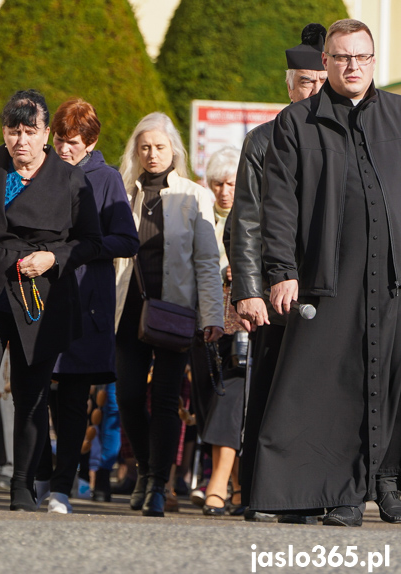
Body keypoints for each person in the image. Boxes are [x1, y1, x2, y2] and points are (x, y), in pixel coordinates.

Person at [254, 18, 401, 528]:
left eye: (361, 57)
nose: (352, 66)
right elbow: (278, 205)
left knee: (394, 379)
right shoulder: (297, 123)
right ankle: (340, 492)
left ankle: (388, 481)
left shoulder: (400, 116)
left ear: (374, 60)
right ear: (327, 62)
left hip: (394, 276)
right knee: (333, 386)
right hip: (329, 276)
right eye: (341, 58)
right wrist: (281, 270)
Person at [0, 89, 102, 511]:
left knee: (32, 395)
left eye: (30, 131)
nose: (21, 140)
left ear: (46, 133)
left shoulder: (70, 178)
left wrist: (54, 257)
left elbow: (91, 241)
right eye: (13, 131)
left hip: (40, 296)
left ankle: (23, 487)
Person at [229, 23, 328, 524]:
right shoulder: (262, 139)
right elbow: (245, 218)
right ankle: (260, 492)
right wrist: (249, 290)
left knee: (323, 392)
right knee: (266, 390)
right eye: (303, 81)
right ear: (288, 85)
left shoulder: (341, 138)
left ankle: (317, 492)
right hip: (273, 288)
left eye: (319, 79)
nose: (311, 89)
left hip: (329, 288)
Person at [114, 112, 223, 517]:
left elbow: (207, 261)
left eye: (160, 147)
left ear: (173, 149)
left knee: (164, 398)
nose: (152, 154)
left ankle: (159, 483)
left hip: (175, 310)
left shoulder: (195, 196)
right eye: (145, 148)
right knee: (126, 396)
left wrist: (210, 315)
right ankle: (144, 468)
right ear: (136, 152)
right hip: (129, 309)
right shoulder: (124, 193)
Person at [35, 98, 138, 513]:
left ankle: (62, 484)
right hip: (39, 297)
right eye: (59, 140)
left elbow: (127, 240)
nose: (64, 149)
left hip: (85, 301)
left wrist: (79, 249)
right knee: (36, 394)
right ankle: (41, 475)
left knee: (75, 396)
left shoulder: (106, 177)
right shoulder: (38, 170)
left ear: (91, 141)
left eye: (73, 142)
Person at [189, 147, 246, 516]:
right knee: (209, 402)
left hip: (243, 321)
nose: (224, 191)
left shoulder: (253, 216)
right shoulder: (200, 214)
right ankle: (238, 486)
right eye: (217, 184)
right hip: (204, 318)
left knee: (231, 399)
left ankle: (217, 485)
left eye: (231, 183)